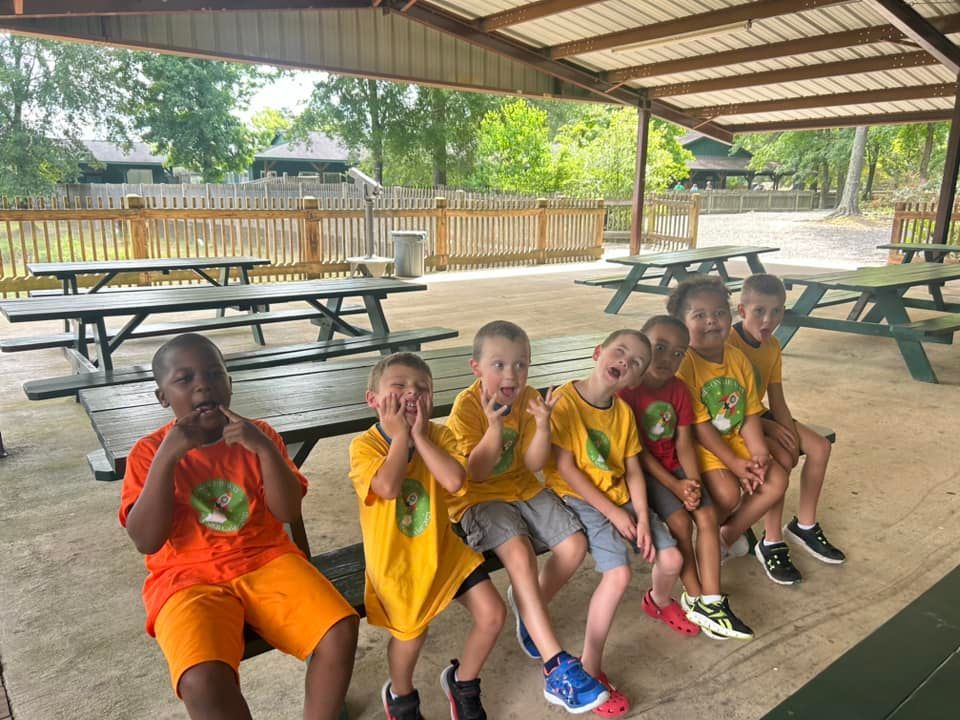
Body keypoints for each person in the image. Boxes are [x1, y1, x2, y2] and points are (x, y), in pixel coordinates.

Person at [119, 333, 359, 720]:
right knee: (199, 678)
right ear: (162, 396)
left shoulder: (259, 435)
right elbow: (146, 539)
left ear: (230, 384)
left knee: (340, 629)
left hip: (266, 560)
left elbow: (287, 510)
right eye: (185, 378)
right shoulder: (149, 452)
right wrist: (167, 460)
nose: (203, 384)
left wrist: (262, 449)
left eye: (215, 373)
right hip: (185, 578)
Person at [445, 321, 609, 715]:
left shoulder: (530, 397)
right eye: (499, 365)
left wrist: (542, 424)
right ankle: (556, 665)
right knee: (519, 553)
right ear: (476, 368)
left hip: (523, 488)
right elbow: (476, 473)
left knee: (574, 545)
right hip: (479, 498)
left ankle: (528, 609)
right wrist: (495, 426)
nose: (511, 375)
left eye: (521, 365)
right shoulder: (467, 407)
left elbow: (535, 464)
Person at [544, 330, 693, 718]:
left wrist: (642, 516)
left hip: (619, 493)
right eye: (620, 352)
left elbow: (632, 470)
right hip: (580, 496)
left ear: (634, 380)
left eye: (636, 363)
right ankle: (590, 668)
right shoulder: (565, 401)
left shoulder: (623, 413)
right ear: (598, 353)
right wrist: (614, 513)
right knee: (619, 575)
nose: (626, 362)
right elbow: (564, 467)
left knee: (672, 559)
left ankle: (658, 602)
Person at [349, 352, 506, 720]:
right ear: (373, 400)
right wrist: (400, 437)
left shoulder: (438, 434)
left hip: (444, 553)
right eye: (399, 387)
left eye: (422, 388)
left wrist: (419, 436)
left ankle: (462, 682)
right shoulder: (365, 446)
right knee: (411, 637)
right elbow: (387, 487)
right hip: (398, 565)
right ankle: (401, 695)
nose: (411, 394)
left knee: (493, 614)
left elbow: (454, 480)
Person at [619, 316, 754, 641]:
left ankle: (710, 599)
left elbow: (683, 441)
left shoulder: (678, 389)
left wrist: (692, 482)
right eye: (659, 348)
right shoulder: (627, 392)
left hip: (677, 467)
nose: (667, 359)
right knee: (681, 523)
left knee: (706, 515)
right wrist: (676, 485)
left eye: (678, 353)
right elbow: (637, 454)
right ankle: (694, 595)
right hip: (647, 473)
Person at [667, 277, 795, 585]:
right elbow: (699, 427)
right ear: (682, 323)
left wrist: (759, 452)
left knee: (776, 479)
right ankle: (710, 538)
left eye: (719, 313)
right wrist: (736, 463)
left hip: (735, 437)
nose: (712, 321)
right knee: (726, 492)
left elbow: (751, 412)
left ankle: (725, 536)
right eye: (699, 316)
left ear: (731, 315)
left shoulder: (736, 358)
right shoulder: (685, 364)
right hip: (701, 444)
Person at [728, 274, 845, 567]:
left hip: (760, 413)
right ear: (742, 311)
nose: (769, 320)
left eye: (777, 311)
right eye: (759, 311)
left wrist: (787, 429)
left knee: (819, 447)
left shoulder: (773, 346)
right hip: (735, 419)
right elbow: (730, 407)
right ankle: (771, 540)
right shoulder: (729, 343)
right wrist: (771, 429)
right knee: (778, 460)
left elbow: (776, 398)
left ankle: (803, 525)